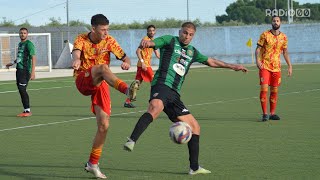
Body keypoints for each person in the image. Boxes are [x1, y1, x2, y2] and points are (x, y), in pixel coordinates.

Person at [123, 22, 248, 175]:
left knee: (195, 127)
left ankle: (194, 167)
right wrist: (148, 43)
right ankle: (132, 140)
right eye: (184, 33)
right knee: (155, 108)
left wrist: (232, 66)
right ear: (180, 31)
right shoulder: (170, 40)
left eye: (190, 34)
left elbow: (211, 61)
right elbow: (154, 43)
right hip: (162, 85)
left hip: (175, 94)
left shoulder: (193, 52)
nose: (187, 36)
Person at [71, 14, 139, 179]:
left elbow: (125, 57)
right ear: (93, 28)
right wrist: (77, 61)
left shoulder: (109, 41)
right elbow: (76, 53)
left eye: (107, 29)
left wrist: (127, 63)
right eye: (103, 30)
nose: (105, 33)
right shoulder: (81, 39)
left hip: (101, 84)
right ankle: (126, 91)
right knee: (101, 68)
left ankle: (92, 163)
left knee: (104, 125)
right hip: (84, 79)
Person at [255, 16, 292, 121]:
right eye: (274, 21)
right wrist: (257, 61)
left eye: (277, 21)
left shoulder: (284, 37)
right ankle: (265, 114)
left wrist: (290, 66)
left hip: (276, 68)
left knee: (274, 91)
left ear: (280, 23)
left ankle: (272, 113)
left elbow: (285, 52)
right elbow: (258, 49)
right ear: (271, 22)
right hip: (265, 66)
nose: (275, 22)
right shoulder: (265, 35)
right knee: (264, 89)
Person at [124, 25, 160, 108]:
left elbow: (157, 54)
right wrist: (143, 62)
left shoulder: (152, 41)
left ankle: (128, 102)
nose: (151, 32)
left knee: (136, 84)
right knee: (154, 82)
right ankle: (154, 101)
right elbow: (138, 51)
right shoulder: (145, 40)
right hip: (144, 65)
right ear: (147, 32)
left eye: (153, 30)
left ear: (155, 31)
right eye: (150, 30)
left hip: (142, 65)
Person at [6, 27, 36, 117]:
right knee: (20, 89)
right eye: (21, 33)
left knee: (22, 89)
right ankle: (26, 110)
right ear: (19, 34)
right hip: (19, 69)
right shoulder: (20, 44)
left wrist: (33, 72)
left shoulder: (29, 44)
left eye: (24, 33)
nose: (22, 34)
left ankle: (27, 111)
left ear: (27, 34)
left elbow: (33, 58)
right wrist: (12, 63)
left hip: (25, 70)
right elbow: (20, 58)